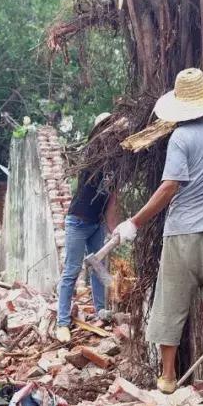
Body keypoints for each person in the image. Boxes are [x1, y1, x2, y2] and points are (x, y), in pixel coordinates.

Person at [111, 69, 203, 398]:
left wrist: (134, 222)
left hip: (180, 235)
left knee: (170, 302)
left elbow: (170, 187)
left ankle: (166, 377)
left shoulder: (181, 138)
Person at [55, 114, 120, 343]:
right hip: (78, 222)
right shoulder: (92, 154)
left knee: (98, 268)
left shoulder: (116, 164)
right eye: (107, 128)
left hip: (96, 224)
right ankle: (62, 323)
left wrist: (113, 229)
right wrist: (110, 127)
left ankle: (101, 311)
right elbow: (99, 140)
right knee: (72, 270)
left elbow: (112, 199)